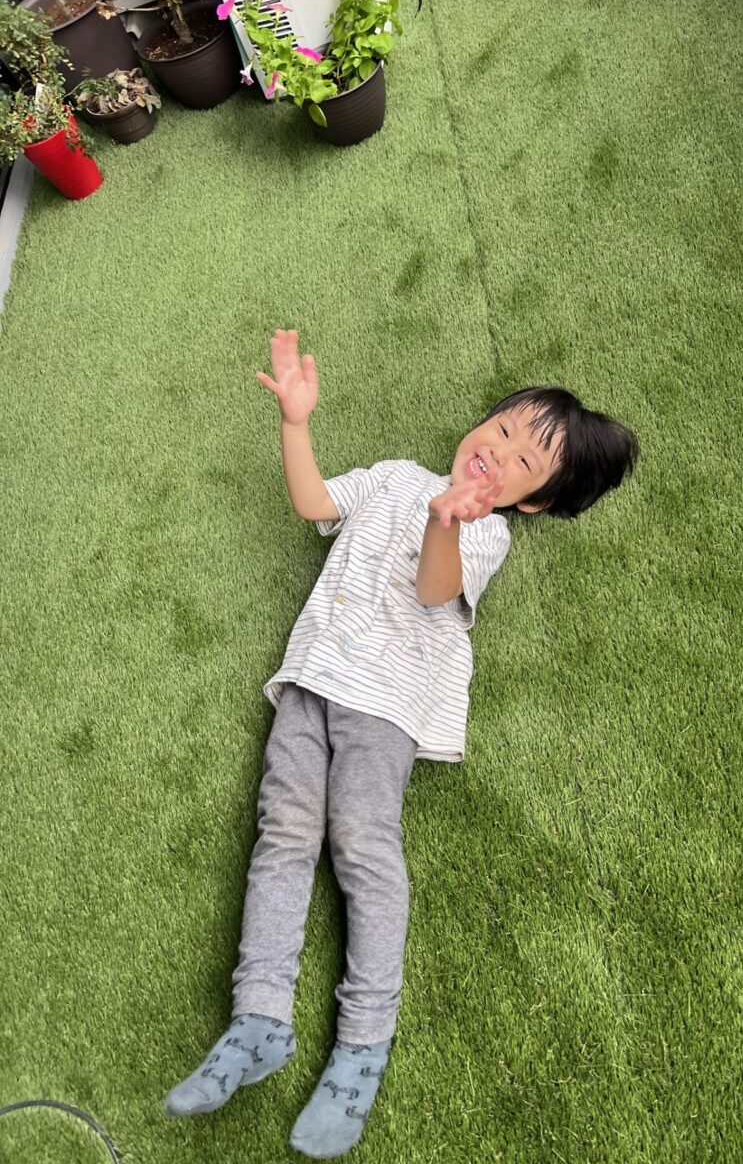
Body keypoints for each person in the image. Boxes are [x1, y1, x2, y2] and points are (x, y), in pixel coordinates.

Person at [164, 329, 638, 1158]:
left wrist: (446, 522)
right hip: (310, 683)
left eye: (522, 461)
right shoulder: (392, 476)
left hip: (383, 708)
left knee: (363, 848)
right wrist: (296, 424)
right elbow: (316, 504)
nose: (496, 453)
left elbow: (433, 590)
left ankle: (362, 1047)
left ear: (531, 502)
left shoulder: (484, 532)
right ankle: (259, 1017)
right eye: (501, 429)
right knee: (282, 836)